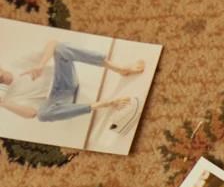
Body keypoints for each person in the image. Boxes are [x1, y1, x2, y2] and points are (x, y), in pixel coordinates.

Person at [0, 39, 142, 125]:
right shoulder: (8, 97)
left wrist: (41, 65)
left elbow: (53, 43)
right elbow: (31, 114)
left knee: (61, 48)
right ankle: (103, 104)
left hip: (64, 78)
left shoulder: (18, 63)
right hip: (57, 98)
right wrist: (2, 103)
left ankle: (119, 69)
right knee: (42, 115)